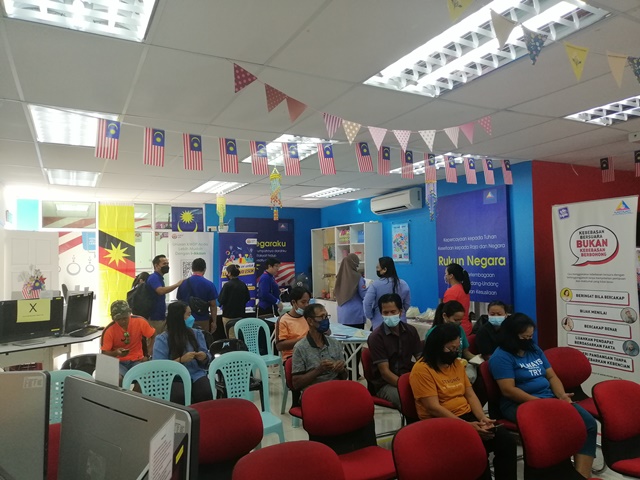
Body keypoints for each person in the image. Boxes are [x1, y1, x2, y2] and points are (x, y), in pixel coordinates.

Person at [489, 313, 597, 478]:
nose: (528, 340)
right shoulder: (501, 356)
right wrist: (541, 404)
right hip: (520, 404)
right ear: (511, 336)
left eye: (530, 336)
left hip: (549, 399)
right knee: (558, 427)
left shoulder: (533, 349)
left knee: (588, 423)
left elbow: (551, 376)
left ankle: (582, 475)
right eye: (524, 337)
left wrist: (562, 396)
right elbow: (508, 390)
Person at [410, 323, 517, 480]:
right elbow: (433, 408)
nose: (454, 353)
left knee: (506, 441)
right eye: (450, 349)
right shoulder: (422, 369)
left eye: (456, 349)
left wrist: (482, 418)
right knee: (476, 451)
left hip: (466, 416)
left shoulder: (456, 364)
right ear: (437, 347)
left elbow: (470, 395)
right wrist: (466, 427)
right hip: (440, 423)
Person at [367, 293, 422, 409]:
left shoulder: (411, 331)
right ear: (381, 313)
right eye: (386, 313)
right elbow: (385, 373)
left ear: (400, 312)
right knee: (408, 400)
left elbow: (421, 360)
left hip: (408, 376)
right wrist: (406, 386)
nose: (389, 315)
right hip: (385, 384)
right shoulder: (376, 337)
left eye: (393, 312)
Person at [153, 301, 213, 404]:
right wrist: (180, 360)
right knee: (180, 396)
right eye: (188, 315)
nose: (192, 318)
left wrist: (204, 357)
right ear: (179, 317)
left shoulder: (197, 334)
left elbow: (207, 356)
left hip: (196, 374)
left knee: (206, 392)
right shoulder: (163, 339)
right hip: (174, 377)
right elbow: (159, 367)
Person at [292, 304, 346, 391]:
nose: (325, 320)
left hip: (335, 388)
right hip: (314, 392)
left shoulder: (334, 343)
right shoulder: (300, 348)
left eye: (326, 316)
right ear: (310, 321)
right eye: (321, 317)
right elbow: (296, 384)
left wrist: (341, 369)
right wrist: (319, 370)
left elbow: (344, 376)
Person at [101, 300, 156, 384]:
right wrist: (116, 352)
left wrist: (148, 354)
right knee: (116, 379)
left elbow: (153, 335)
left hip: (137, 360)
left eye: (125, 318)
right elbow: (104, 353)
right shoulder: (109, 330)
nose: (123, 321)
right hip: (117, 362)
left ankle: (134, 392)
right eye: (119, 319)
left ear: (130, 314)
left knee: (145, 378)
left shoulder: (139, 321)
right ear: (113, 318)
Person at [426, 300, 476, 382]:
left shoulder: (460, 329)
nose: (459, 323)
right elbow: (432, 358)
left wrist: (478, 359)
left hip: (459, 364)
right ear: (445, 316)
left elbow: (465, 352)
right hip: (442, 367)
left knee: (470, 373)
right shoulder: (434, 333)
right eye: (456, 320)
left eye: (460, 320)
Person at [146, 255, 183, 352]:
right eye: (164, 264)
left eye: (167, 263)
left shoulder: (159, 278)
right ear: (156, 266)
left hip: (160, 317)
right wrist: (177, 284)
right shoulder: (154, 278)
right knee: (155, 343)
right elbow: (160, 291)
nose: (167, 266)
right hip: (154, 318)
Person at [363, 256, 411, 330]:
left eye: (378, 268)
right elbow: (406, 304)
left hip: (380, 322)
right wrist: (399, 313)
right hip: (400, 322)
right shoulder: (403, 284)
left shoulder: (375, 285)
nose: (377, 270)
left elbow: (367, 303)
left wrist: (371, 316)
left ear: (384, 269)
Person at [176, 258, 218, 332]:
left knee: (186, 338)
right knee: (202, 338)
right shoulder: (209, 284)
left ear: (192, 269)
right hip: (203, 320)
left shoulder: (183, 283)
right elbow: (213, 305)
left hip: (186, 320)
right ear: (204, 269)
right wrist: (214, 322)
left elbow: (179, 302)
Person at [276, 286, 312, 360]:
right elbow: (279, 346)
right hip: (292, 356)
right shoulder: (284, 320)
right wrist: (305, 340)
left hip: (311, 353)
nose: (306, 305)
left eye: (308, 302)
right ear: (293, 302)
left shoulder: (309, 317)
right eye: (303, 302)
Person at [334, 253, 367, 328]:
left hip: (342, 314)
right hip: (355, 315)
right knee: (357, 335)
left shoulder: (339, 277)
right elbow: (364, 295)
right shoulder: (358, 277)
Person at [218, 264, 250, 339]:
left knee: (231, 337)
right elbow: (247, 298)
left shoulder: (227, 285)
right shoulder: (243, 284)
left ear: (229, 273)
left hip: (228, 316)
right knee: (239, 336)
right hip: (240, 315)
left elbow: (221, 300)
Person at [443, 262, 472, 335]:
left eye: (446, 274)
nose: (445, 276)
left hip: (456, 329)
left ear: (451, 276)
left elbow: (447, 313)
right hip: (466, 327)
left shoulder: (451, 291)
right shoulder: (464, 289)